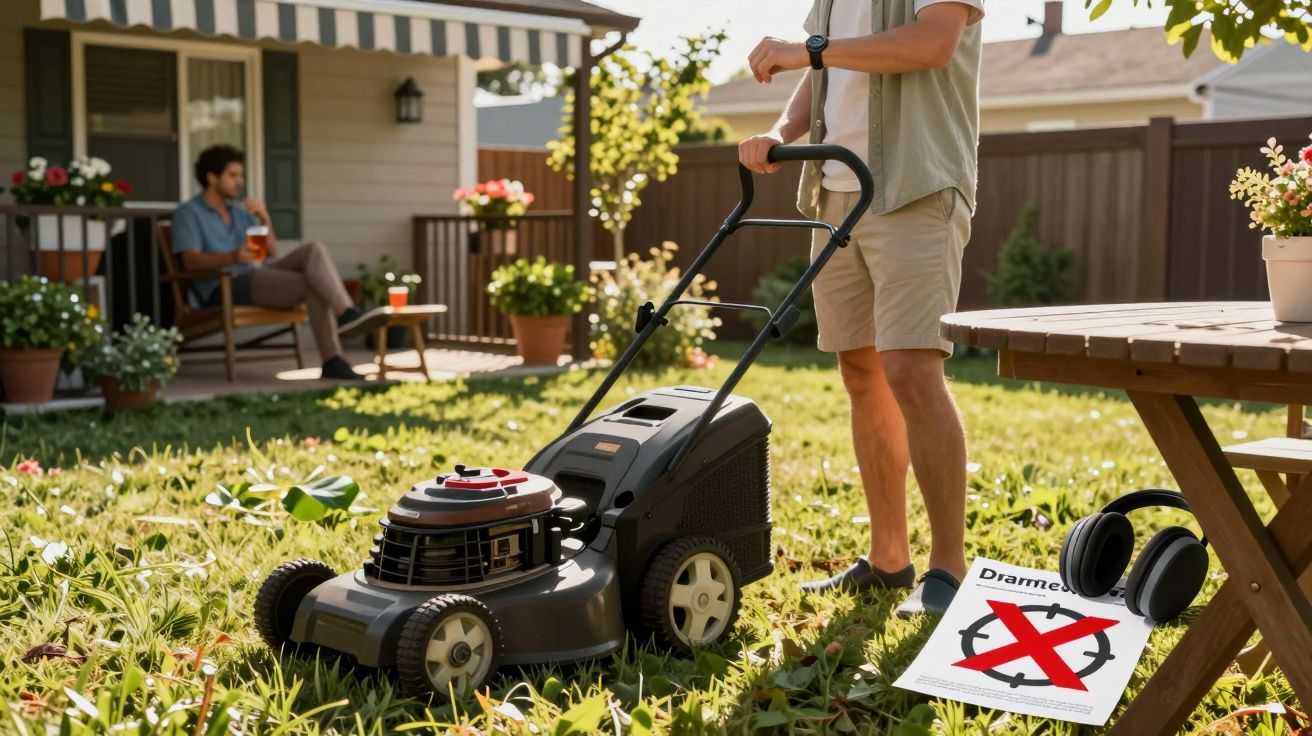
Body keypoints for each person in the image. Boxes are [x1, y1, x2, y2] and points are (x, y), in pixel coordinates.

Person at [739, 0, 984, 617]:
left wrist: (809, 50)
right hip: (836, 192)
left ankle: (948, 569)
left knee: (911, 368)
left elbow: (932, 44)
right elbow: (821, 75)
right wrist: (781, 132)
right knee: (862, 372)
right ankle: (888, 559)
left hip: (915, 186)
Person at [171, 145, 387, 380]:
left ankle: (344, 319)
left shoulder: (238, 210)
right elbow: (191, 262)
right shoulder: (189, 213)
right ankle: (335, 351)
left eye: (240, 175)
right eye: (233, 175)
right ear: (212, 177)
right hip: (224, 285)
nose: (240, 181)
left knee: (313, 250)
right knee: (313, 282)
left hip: (257, 275)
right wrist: (233, 257)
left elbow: (271, 251)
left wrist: (265, 218)